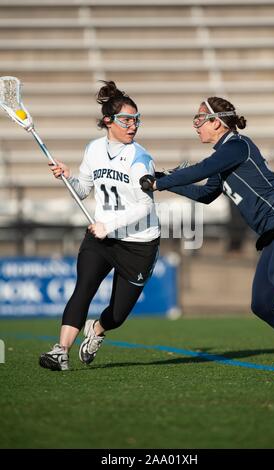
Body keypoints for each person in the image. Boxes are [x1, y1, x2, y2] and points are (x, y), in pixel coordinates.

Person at [140, 96, 274, 367]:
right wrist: (164, 181)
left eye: (200, 119)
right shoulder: (223, 157)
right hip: (272, 233)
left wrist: (160, 183)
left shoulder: (237, 145)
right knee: (261, 304)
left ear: (217, 122)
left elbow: (201, 170)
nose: (196, 125)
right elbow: (206, 194)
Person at [39, 81, 160, 371]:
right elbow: (83, 190)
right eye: (126, 120)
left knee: (117, 315)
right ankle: (61, 351)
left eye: (136, 120)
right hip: (101, 237)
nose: (133, 126)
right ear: (108, 121)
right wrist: (67, 177)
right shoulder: (93, 149)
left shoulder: (140, 159)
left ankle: (97, 330)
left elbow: (145, 207)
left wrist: (110, 224)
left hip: (138, 243)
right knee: (84, 288)